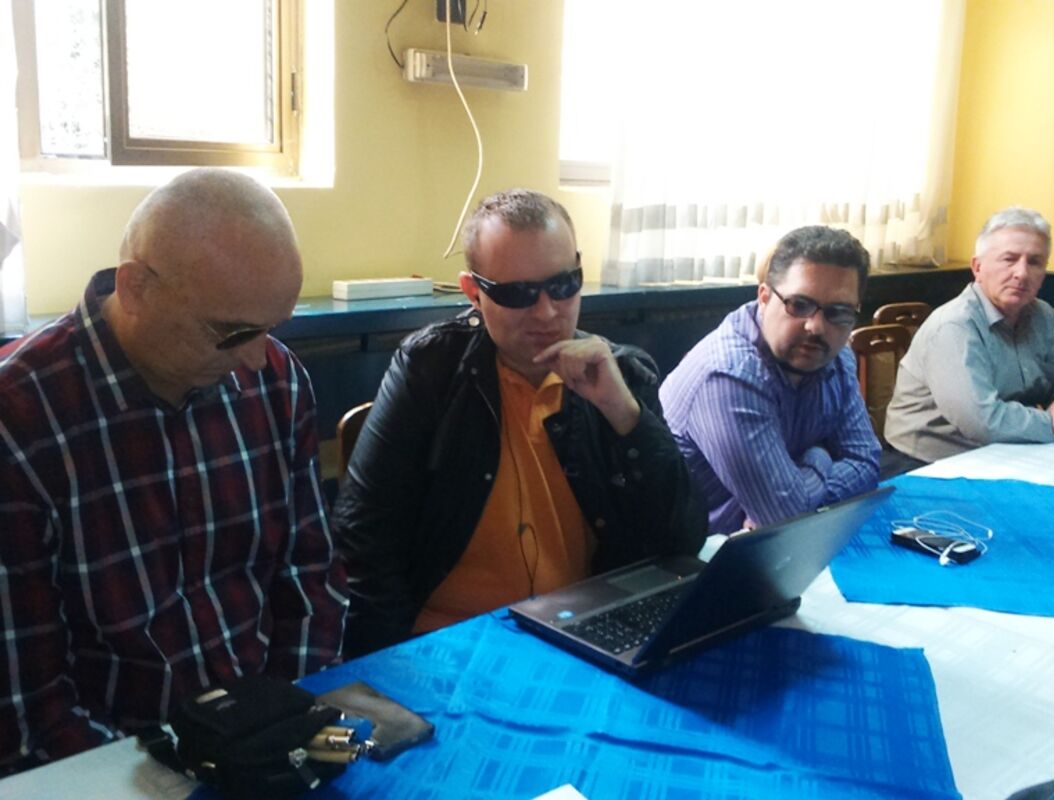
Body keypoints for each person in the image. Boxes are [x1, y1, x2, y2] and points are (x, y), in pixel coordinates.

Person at [0, 169, 348, 772]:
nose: (256, 358)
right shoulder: (20, 419)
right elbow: (27, 708)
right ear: (136, 289)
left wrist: (288, 719)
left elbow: (310, 576)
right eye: (232, 332)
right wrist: (176, 773)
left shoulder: (278, 381)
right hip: (116, 761)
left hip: (269, 731)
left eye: (273, 327)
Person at [333, 188, 706, 655]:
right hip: (446, 642)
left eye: (564, 285)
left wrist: (623, 413)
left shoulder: (621, 374)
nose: (546, 312)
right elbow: (366, 537)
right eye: (517, 294)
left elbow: (681, 540)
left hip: (579, 637)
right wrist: (389, 666)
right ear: (473, 293)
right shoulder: (431, 368)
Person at [659, 226, 880, 535]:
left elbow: (866, 463)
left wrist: (797, 488)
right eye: (799, 305)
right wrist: (819, 456)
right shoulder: (729, 375)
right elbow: (785, 517)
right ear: (764, 298)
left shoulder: (837, 357)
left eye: (838, 312)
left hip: (780, 542)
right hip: (698, 553)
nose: (816, 327)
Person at [885, 207, 1054, 462]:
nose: (1021, 273)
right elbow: (983, 422)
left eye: (1034, 262)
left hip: (1007, 453)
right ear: (977, 267)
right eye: (1009, 259)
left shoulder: (1044, 316)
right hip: (925, 463)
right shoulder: (953, 327)